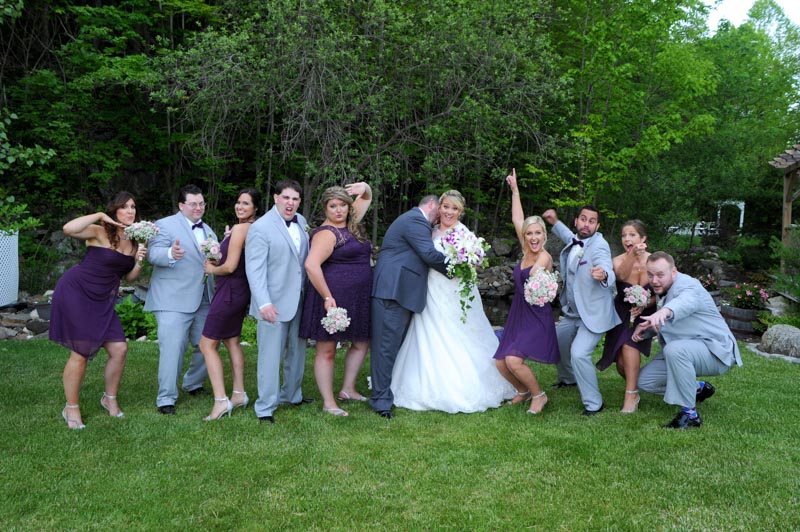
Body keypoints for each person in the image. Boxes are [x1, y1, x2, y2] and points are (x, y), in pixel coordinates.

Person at [391, 189, 516, 413]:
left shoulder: (464, 234)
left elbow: (476, 260)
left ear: (461, 212)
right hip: (431, 290)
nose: (449, 211)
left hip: (456, 292)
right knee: (429, 332)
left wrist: (468, 260)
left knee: (463, 334)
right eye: (446, 206)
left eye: (454, 208)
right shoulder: (428, 230)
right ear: (439, 207)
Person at [49, 191, 148, 429]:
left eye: (133, 207)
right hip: (77, 292)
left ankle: (109, 399)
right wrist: (100, 216)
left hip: (104, 299)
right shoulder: (100, 231)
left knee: (120, 349)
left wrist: (140, 260)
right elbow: (68, 229)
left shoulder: (136, 239)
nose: (130, 211)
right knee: (81, 353)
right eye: (124, 207)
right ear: (114, 211)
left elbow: (130, 278)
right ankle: (71, 408)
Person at [633, 251, 742, 429]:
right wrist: (647, 330)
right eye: (650, 274)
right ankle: (697, 388)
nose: (654, 280)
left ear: (673, 272)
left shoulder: (689, 286)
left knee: (674, 350)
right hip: (687, 347)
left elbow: (685, 302)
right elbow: (673, 324)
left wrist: (663, 311)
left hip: (716, 352)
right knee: (644, 381)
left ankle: (689, 415)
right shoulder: (663, 289)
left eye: (660, 274)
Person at [370, 194, 448, 419]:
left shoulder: (415, 221)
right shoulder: (415, 220)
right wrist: (459, 268)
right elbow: (429, 254)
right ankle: (380, 401)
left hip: (400, 292)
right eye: (439, 210)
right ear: (431, 205)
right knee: (385, 347)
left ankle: (384, 392)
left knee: (392, 346)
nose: (439, 216)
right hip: (392, 291)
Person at [300, 183, 373, 417]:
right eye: (333, 206)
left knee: (361, 342)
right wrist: (327, 297)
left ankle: (348, 389)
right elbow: (311, 265)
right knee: (327, 349)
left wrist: (366, 187)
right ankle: (329, 401)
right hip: (333, 297)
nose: (339, 210)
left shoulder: (350, 224)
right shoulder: (326, 233)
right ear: (325, 208)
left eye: (343, 205)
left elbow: (366, 198)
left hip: (357, 297)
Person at [493, 170, 560, 415]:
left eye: (537, 233)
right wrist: (515, 191)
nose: (533, 237)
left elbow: (539, 269)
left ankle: (539, 395)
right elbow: (517, 219)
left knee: (513, 360)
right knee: (501, 362)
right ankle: (522, 390)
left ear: (544, 235)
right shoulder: (526, 248)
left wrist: (535, 274)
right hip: (518, 313)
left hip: (537, 317)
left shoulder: (543, 256)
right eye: (529, 233)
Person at [542, 204, 620, 415]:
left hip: (593, 314)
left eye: (592, 221)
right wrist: (554, 222)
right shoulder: (576, 239)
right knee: (558, 341)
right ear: (576, 221)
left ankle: (594, 404)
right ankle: (568, 379)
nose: (587, 224)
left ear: (598, 225)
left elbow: (607, 267)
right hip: (572, 312)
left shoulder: (600, 245)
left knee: (579, 353)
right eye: (583, 219)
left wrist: (604, 274)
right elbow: (569, 236)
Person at [145, 184, 215, 415]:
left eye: (201, 203)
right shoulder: (164, 225)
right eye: (193, 204)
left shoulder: (209, 231)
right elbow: (154, 254)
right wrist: (170, 254)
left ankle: (193, 382)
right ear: (181, 205)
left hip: (204, 297)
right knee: (173, 349)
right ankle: (166, 398)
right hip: (172, 299)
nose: (198, 208)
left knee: (208, 345)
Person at [245, 179, 311, 424]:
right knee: (270, 358)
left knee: (297, 352)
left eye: (295, 199)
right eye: (286, 198)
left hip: (300, 300)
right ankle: (265, 407)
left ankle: (292, 395)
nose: (290, 203)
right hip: (272, 303)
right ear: (275, 198)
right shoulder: (261, 227)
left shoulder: (302, 222)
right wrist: (263, 303)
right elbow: (255, 269)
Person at [198, 188, 260, 421]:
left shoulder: (242, 228)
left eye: (246, 203)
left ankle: (220, 401)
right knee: (232, 340)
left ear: (255, 208)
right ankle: (239, 393)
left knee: (207, 344)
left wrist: (212, 268)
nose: (240, 206)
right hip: (239, 290)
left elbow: (231, 265)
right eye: (238, 202)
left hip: (230, 290)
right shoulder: (249, 228)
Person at [596, 220, 655, 413]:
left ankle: (630, 396)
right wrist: (632, 254)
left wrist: (646, 303)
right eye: (624, 235)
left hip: (645, 314)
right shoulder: (618, 261)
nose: (627, 239)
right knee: (622, 364)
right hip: (621, 313)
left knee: (630, 346)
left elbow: (662, 291)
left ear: (643, 238)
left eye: (632, 235)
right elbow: (620, 276)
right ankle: (642, 386)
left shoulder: (655, 261)